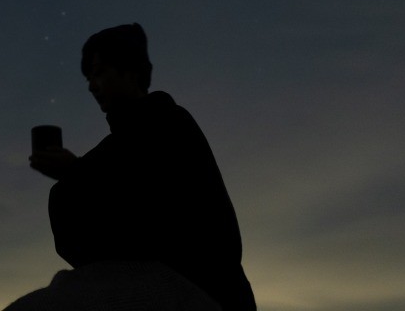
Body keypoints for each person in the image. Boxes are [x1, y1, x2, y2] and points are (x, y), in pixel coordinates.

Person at [29, 23, 255, 311]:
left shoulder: (167, 124)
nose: (91, 86)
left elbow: (153, 210)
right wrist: (74, 174)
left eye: (98, 72)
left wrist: (74, 173)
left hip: (201, 290)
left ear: (130, 69)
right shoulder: (122, 141)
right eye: (88, 77)